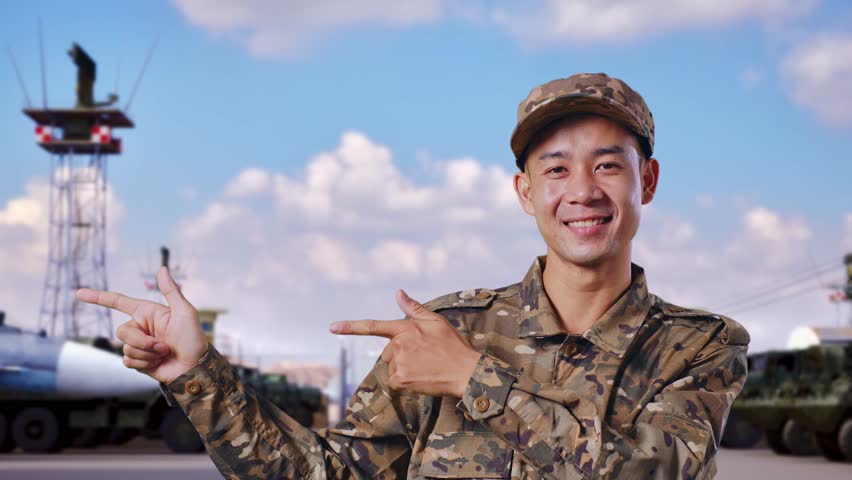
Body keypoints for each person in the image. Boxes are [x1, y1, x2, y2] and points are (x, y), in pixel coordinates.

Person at [77, 72, 749, 479]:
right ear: (524, 191)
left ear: (647, 182)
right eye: (556, 168)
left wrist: (473, 381)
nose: (583, 190)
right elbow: (324, 475)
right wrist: (196, 376)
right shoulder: (445, 330)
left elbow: (650, 475)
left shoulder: (699, 347)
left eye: (608, 165)